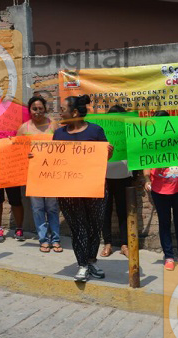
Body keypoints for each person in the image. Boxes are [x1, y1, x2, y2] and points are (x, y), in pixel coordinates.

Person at [52, 95, 114, 282]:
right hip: (69, 191)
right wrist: (36, 158)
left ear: (75, 112)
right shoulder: (59, 134)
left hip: (95, 188)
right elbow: (53, 160)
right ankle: (82, 265)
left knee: (94, 226)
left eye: (63, 109)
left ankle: (91, 260)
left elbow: (103, 159)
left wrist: (108, 154)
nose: (60, 112)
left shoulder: (96, 131)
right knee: (78, 227)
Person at [143, 110, 178, 271]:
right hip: (159, 190)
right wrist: (147, 180)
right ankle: (168, 256)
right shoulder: (150, 142)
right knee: (164, 223)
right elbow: (145, 162)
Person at [18, 95, 61, 252]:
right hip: (33, 175)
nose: (37, 112)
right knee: (37, 208)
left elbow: (62, 146)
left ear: (45, 109)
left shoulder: (53, 125)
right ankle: (43, 239)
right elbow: (16, 152)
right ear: (29, 110)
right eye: (34, 109)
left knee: (52, 207)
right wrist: (26, 155)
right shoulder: (24, 129)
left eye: (40, 109)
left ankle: (55, 239)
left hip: (51, 173)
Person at [101, 104, 133, 257]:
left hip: (125, 176)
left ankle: (124, 244)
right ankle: (107, 243)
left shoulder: (130, 131)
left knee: (123, 211)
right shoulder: (102, 132)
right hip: (104, 177)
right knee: (105, 212)